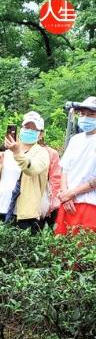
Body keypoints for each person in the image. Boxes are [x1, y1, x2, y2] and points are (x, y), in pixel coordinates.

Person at [0, 111, 50, 233]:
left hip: (24, 215)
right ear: (21, 129)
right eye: (26, 127)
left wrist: (17, 152)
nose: (29, 131)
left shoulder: (42, 153)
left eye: (34, 129)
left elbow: (32, 169)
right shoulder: (7, 152)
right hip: (1, 208)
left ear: (40, 135)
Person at [55, 96, 96, 235]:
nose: (86, 118)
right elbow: (65, 170)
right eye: (83, 114)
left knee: (84, 249)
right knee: (60, 249)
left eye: (91, 114)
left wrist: (72, 193)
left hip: (89, 203)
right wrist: (65, 194)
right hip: (67, 203)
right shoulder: (75, 140)